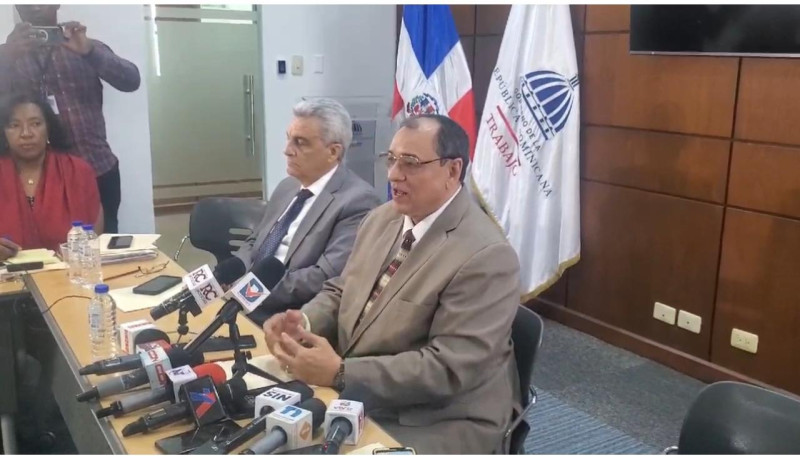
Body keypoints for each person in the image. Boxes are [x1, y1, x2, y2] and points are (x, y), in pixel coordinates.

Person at [264, 115, 521, 454]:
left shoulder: (487, 256)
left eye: (410, 163)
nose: (394, 174)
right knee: (265, 430)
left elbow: (447, 368)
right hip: (362, 390)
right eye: (392, 159)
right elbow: (343, 289)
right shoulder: (382, 218)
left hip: (439, 417)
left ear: (452, 170)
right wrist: (303, 321)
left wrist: (341, 372)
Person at [235, 98, 381, 326]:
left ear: (333, 152)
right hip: (245, 299)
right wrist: (235, 277)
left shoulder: (358, 201)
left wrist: (248, 291)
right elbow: (255, 242)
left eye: (300, 143)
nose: (287, 150)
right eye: (288, 139)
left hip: (287, 316)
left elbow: (323, 277)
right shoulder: (287, 186)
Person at [0, 4, 141, 233]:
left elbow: (131, 81)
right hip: (38, 178)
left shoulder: (85, 46)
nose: (33, 5)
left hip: (97, 166)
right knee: (42, 244)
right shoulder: (9, 54)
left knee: (103, 244)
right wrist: (5, 59)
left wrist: (90, 52)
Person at [0, 92, 102, 261]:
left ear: (48, 128)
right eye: (14, 125)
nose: (26, 133)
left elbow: (93, 239)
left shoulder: (77, 171)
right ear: (3, 132)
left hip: (70, 272)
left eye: (35, 124)